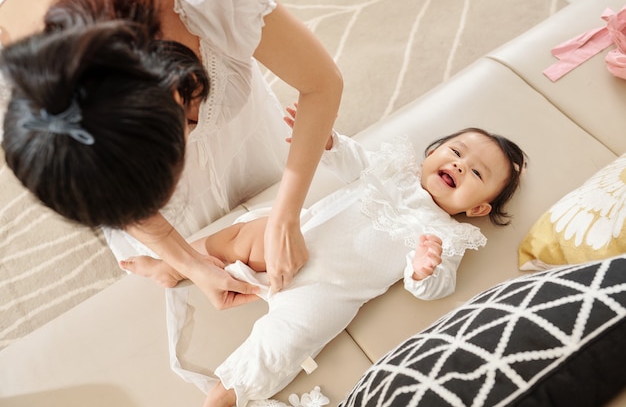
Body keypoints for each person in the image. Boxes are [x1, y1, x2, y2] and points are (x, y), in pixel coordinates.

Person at [127, 112, 528, 407]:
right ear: (431, 154)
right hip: (293, 240)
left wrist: (424, 269)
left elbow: (437, 285)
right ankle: (175, 263)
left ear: (477, 210)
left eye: (476, 173)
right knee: (242, 234)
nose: (459, 163)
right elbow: (352, 159)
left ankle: (222, 398)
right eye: (455, 151)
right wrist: (329, 141)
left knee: (278, 349)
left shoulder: (447, 236)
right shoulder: (392, 171)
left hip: (327, 296)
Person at [0, 0, 343, 308]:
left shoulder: (211, 0)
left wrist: (286, 217)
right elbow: (105, 184)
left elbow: (322, 84)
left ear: (177, 89)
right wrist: (186, 262)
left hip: (248, 147)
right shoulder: (21, 57)